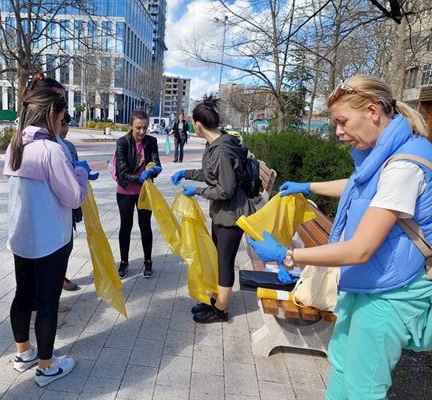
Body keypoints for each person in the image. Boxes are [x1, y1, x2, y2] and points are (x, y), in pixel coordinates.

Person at [248, 74, 432, 399]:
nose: (337, 131)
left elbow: (361, 249)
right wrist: (309, 187)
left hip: (389, 294)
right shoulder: (388, 152)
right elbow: (360, 186)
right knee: (342, 365)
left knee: (363, 387)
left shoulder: (405, 165)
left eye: (343, 121)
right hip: (369, 284)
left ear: (373, 111)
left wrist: (288, 255)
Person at [3, 73, 89, 387]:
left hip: (21, 237)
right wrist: (79, 173)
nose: (63, 122)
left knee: (23, 294)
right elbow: (74, 196)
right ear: (51, 114)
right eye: (62, 117)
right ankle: (46, 366)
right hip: (51, 238)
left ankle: (22, 353)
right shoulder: (52, 150)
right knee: (48, 301)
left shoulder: (16, 145)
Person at [170, 95, 256, 323]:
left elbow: (225, 189)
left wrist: (197, 192)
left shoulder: (221, 151)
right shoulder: (215, 144)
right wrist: (186, 174)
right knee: (217, 256)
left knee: (224, 261)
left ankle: (221, 310)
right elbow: (211, 175)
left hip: (232, 213)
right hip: (222, 211)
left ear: (197, 125)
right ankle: (216, 298)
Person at [115, 110, 162, 279]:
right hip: (126, 190)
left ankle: (148, 261)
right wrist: (138, 177)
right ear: (131, 127)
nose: (142, 132)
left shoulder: (151, 141)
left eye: (145, 128)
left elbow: (155, 163)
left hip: (145, 191)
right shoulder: (122, 143)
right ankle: (124, 262)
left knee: (145, 226)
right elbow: (122, 172)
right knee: (125, 227)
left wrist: (154, 170)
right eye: (138, 128)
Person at [58, 111, 81, 291]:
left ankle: (60, 276)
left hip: (70, 205)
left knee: (68, 244)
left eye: (67, 125)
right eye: (62, 124)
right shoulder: (48, 148)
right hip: (55, 206)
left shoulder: (70, 146)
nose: (65, 129)